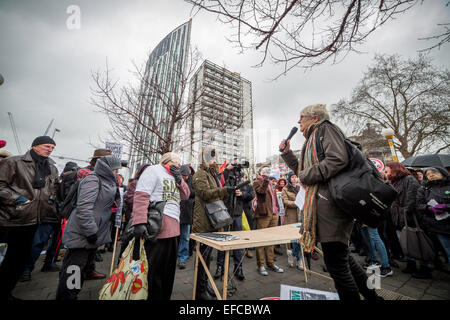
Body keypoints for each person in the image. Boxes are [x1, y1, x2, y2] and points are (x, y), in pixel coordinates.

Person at [279, 104, 381, 300]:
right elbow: (301, 171)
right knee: (343, 260)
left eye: (302, 117)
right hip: (326, 206)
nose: (298, 121)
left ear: (315, 118)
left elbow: (337, 159)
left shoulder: (326, 129)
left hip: (331, 207)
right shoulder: (312, 140)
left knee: (338, 267)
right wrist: (287, 154)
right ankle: (374, 298)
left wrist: (306, 175)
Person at [0, 136, 59, 300]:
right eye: (47, 146)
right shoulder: (14, 162)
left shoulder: (51, 167)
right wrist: (15, 198)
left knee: (18, 260)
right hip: (10, 217)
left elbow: (53, 187)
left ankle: (6, 292)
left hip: (34, 219)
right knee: (8, 258)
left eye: (52, 148)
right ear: (35, 146)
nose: (50, 149)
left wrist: (51, 200)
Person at [55, 155, 121, 300]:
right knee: (74, 269)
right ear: (108, 168)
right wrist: (90, 231)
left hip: (93, 232)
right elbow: (84, 207)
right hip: (83, 232)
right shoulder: (93, 179)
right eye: (115, 169)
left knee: (81, 267)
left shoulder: (107, 180)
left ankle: (71, 295)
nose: (117, 172)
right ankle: (67, 297)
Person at [131, 152, 190, 300]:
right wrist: (139, 222)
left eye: (179, 163)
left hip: (174, 229)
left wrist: (180, 180)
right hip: (157, 228)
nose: (177, 165)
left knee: (168, 271)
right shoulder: (153, 170)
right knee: (153, 270)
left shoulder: (176, 177)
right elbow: (141, 196)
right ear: (165, 161)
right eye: (174, 162)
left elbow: (186, 195)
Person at [192, 145, 232, 300]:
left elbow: (215, 195)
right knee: (202, 259)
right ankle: (200, 292)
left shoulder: (211, 174)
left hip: (211, 220)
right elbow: (205, 194)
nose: (216, 160)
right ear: (206, 160)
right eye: (212, 158)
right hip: (203, 221)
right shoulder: (200, 174)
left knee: (207, 258)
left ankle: (205, 287)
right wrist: (224, 190)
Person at [385, 161, 429, 278]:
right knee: (405, 242)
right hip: (398, 217)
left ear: (395, 169)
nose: (386, 171)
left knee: (417, 242)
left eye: (388, 169)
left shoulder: (409, 179)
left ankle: (425, 268)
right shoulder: (393, 182)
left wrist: (405, 211)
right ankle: (411, 264)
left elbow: (412, 198)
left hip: (410, 217)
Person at [77, 148, 112, 280]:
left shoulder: (101, 177)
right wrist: (90, 230)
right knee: (75, 263)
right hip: (84, 226)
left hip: (95, 223)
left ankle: (89, 270)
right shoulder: (91, 177)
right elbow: (84, 206)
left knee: (90, 251)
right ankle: (68, 291)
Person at [214, 163, 249, 281]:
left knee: (237, 241)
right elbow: (217, 185)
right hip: (225, 212)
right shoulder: (224, 176)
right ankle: (220, 266)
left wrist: (242, 194)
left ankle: (238, 267)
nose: (235, 170)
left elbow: (251, 195)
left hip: (237, 213)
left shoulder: (243, 178)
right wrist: (225, 170)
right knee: (222, 240)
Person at [416, 167, 450, 271]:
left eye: (434, 172)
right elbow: (418, 204)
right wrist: (428, 208)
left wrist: (446, 206)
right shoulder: (423, 189)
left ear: (442, 173)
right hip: (438, 226)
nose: (431, 175)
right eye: (428, 174)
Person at [253, 165, 285, 276]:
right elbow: (261, 192)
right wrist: (266, 179)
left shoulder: (270, 183)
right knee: (261, 241)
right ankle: (261, 265)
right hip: (264, 215)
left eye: (268, 170)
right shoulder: (257, 182)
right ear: (260, 172)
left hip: (274, 214)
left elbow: (273, 197)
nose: (267, 172)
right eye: (264, 170)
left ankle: (270, 263)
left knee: (271, 240)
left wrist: (277, 209)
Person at [282, 172, 303, 270]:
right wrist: (297, 203)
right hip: (291, 216)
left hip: (301, 215)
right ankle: (295, 258)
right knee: (293, 239)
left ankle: (296, 257)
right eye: (292, 177)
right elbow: (285, 201)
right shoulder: (285, 188)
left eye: (296, 177)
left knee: (300, 239)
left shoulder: (301, 188)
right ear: (289, 179)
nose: (294, 179)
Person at [178, 165, 195, 270]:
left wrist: (185, 189)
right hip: (176, 212)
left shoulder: (192, 180)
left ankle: (182, 258)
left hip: (187, 212)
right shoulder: (176, 179)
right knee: (175, 237)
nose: (185, 177)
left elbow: (195, 193)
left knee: (185, 237)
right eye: (183, 175)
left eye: (186, 175)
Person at [241, 174, 256, 258]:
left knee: (249, 229)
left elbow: (251, 196)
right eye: (242, 177)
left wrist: (242, 194)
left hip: (247, 209)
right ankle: (239, 248)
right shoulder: (236, 185)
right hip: (238, 210)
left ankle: (249, 249)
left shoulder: (249, 187)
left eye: (244, 177)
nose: (243, 179)